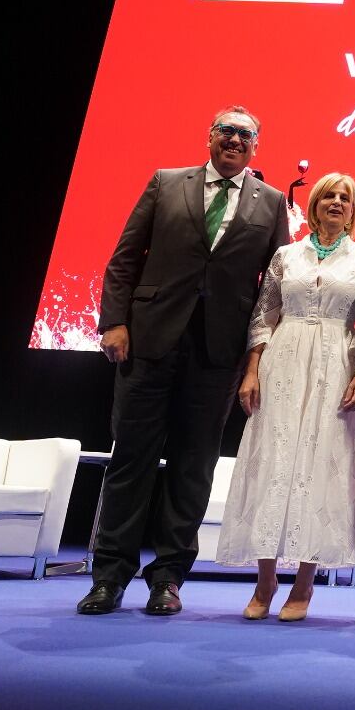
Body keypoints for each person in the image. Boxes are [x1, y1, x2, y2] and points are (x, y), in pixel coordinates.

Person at [77, 106, 291, 617]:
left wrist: (262, 358)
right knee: (132, 460)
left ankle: (168, 579)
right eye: (227, 131)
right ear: (210, 136)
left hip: (218, 353)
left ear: (255, 146)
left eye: (245, 134)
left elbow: (277, 287)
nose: (235, 140)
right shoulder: (166, 183)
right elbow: (125, 257)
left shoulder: (273, 202)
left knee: (193, 468)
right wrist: (114, 322)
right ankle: (109, 577)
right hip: (148, 342)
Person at [215, 173, 355, 621]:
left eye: (345, 197)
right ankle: (265, 578)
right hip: (282, 363)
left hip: (335, 366)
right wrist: (252, 369)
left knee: (321, 463)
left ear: (353, 209)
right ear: (313, 204)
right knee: (273, 460)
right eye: (328, 194)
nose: (336, 202)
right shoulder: (287, 255)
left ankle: (304, 584)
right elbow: (264, 314)